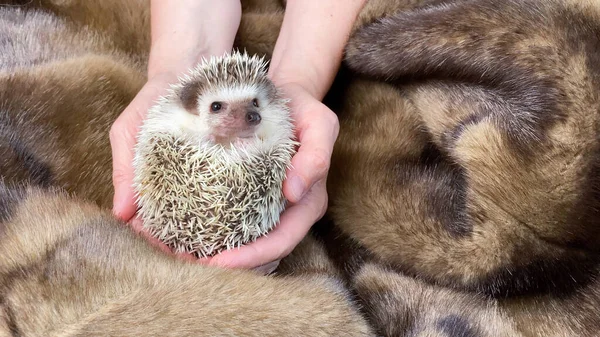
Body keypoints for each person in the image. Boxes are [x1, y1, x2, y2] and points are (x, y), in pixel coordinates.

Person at [109, 0, 367, 272]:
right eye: (218, 107)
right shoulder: (173, 122)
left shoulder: (272, 126)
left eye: (254, 104)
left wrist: (300, 80)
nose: (246, 116)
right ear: (190, 106)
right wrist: (175, 66)